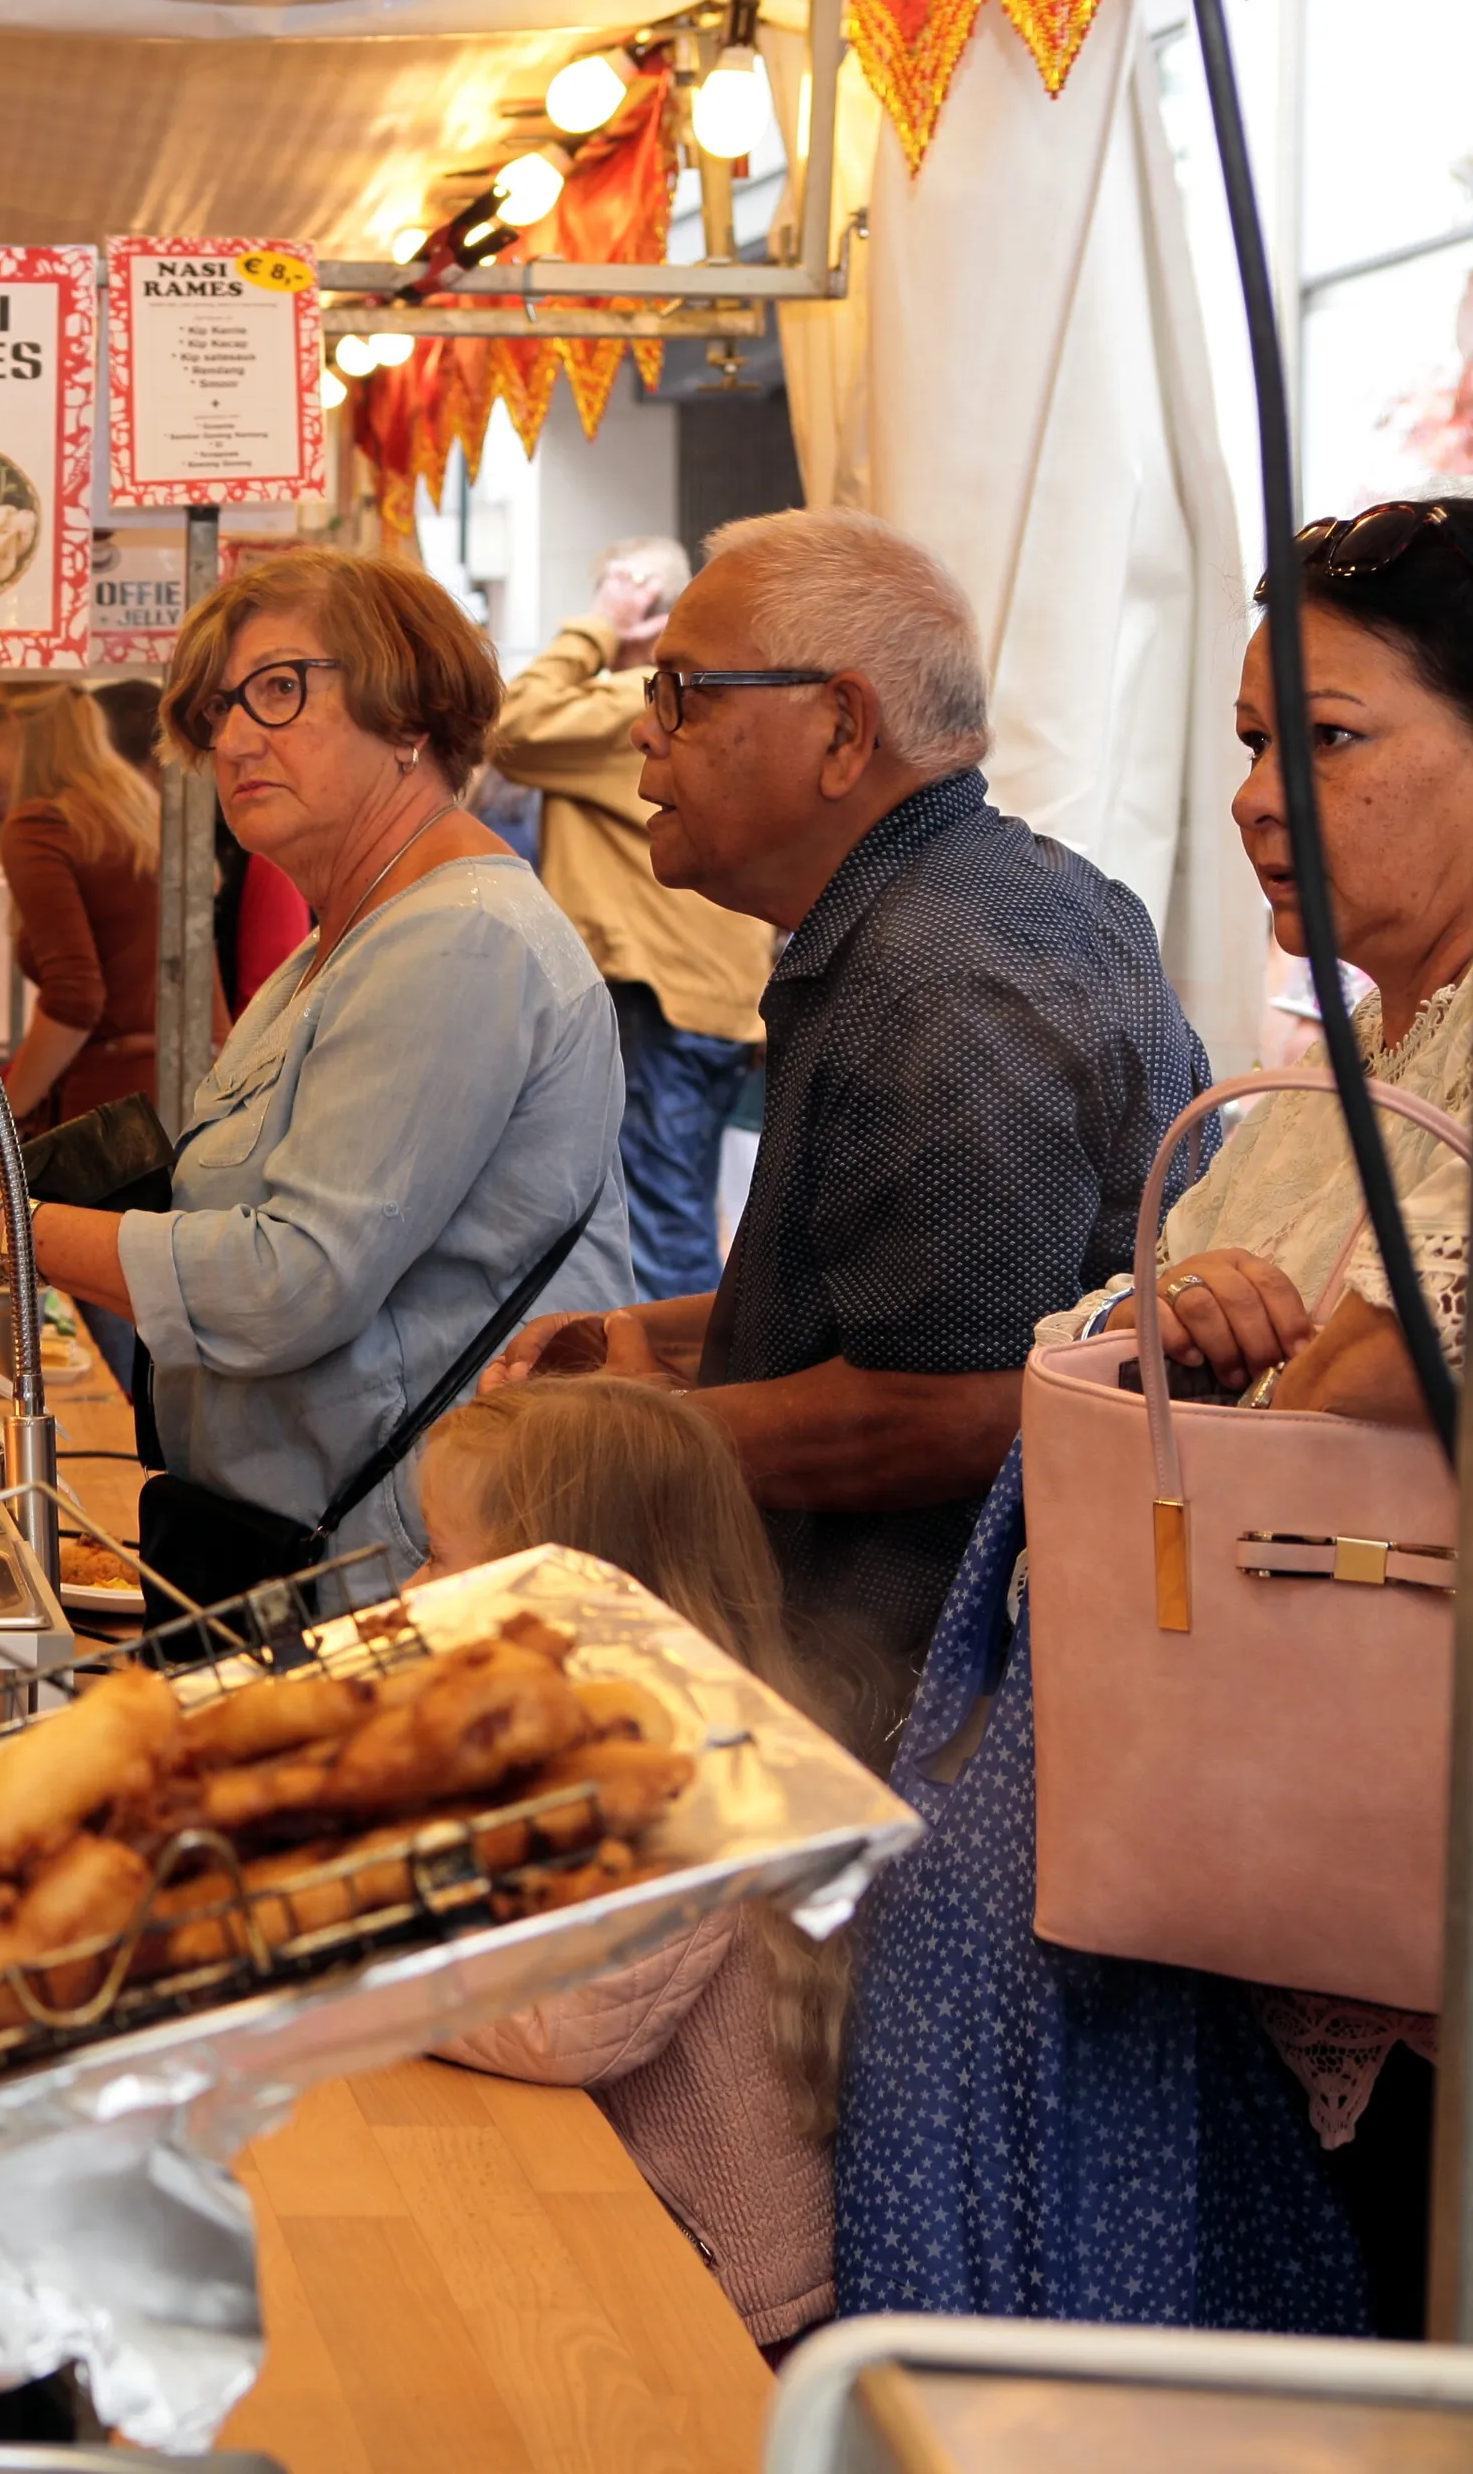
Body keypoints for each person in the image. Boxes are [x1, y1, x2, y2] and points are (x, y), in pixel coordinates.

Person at [842, 501, 1473, 2344]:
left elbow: (1382, 1377)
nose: (1262, 801)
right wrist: (1177, 1331)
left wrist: (1200, 1361)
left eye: (1327, 740)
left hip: (1344, 1835)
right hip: (1219, 1808)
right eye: (1254, 747)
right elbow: (1143, 1341)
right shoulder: (1344, 1064)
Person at [490, 507, 1212, 1676]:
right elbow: (900, 1293)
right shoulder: (958, 903)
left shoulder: (943, 979)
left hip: (939, 1682)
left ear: (841, 726)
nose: (642, 730)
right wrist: (663, 1337)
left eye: (682, 691)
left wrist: (632, 1435)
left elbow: (958, 1405)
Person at [0, 550, 629, 1577]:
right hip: (315, 1538)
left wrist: (5, 1231)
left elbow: (295, 1278)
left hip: (408, 1559)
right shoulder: (340, 943)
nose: (234, 738)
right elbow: (227, 1192)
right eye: (216, 709)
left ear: (410, 710)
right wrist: (4, 1184)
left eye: (280, 691)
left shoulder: (459, 938)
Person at [419, 1375, 888, 2353]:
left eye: (444, 1562)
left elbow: (563, 2019)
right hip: (627, 2205)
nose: (411, 1593)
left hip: (724, 2292)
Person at [492, 537, 775, 1301]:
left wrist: (595, 625)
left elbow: (512, 726)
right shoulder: (682, 707)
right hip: (701, 996)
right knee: (672, 1215)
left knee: (657, 1233)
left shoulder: (630, 706)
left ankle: (679, 1416)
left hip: (657, 999)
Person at [89, 672, 305, 1047]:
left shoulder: (253, 852)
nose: (101, 799)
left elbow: (271, 1019)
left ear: (159, 773)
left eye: (111, 780)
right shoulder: (112, 858)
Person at [0, 684, 160, 1127]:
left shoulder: (41, 825)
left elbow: (74, 998)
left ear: (12, 728)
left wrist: (2, 1119)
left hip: (106, 1113)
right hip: (177, 1090)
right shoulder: (136, 812)